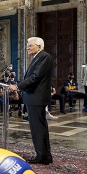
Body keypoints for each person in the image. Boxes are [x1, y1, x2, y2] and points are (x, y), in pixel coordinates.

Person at [11, 37, 53, 165]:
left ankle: (42, 156)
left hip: (36, 98)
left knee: (37, 128)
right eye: (27, 46)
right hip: (33, 97)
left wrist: (17, 86)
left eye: (30, 45)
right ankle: (44, 155)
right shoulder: (37, 57)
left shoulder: (44, 57)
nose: (27, 48)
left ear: (39, 46)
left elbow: (36, 77)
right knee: (38, 127)